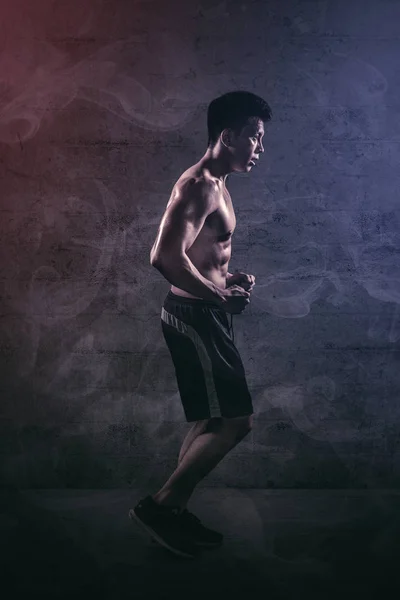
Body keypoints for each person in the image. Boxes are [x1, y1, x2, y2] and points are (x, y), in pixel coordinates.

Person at [129, 91, 272, 558]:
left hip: (203, 312)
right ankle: (160, 505)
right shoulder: (200, 186)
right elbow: (163, 257)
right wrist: (218, 297)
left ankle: (172, 510)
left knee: (212, 418)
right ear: (227, 136)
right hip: (195, 317)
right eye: (254, 136)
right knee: (236, 421)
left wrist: (226, 279)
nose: (259, 147)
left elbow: (192, 255)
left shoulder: (219, 182)